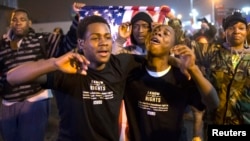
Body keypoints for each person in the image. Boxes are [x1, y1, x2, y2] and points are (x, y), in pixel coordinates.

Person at [2, 15, 219, 141]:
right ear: (81, 44)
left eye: (107, 37)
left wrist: (188, 67)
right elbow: (12, 77)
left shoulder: (123, 64)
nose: (104, 43)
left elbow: (210, 103)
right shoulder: (69, 69)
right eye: (95, 38)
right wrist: (53, 62)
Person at [0, 2, 84, 141]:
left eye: (22, 19)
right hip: (8, 104)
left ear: (30, 23)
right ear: (11, 24)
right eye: (14, 20)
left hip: (34, 101)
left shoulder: (42, 39)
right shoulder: (2, 45)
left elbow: (68, 43)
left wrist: (76, 17)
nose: (18, 23)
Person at [122, 24, 219, 141]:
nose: (158, 33)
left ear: (174, 47)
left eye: (165, 33)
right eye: (155, 31)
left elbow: (213, 103)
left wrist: (193, 68)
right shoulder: (132, 69)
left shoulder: (182, 77)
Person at [174, 11, 250, 140]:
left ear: (246, 31)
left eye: (241, 28)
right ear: (225, 31)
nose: (236, 31)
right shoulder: (212, 52)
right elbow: (181, 41)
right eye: (231, 28)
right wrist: (172, 19)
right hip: (215, 122)